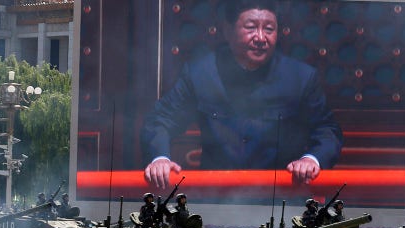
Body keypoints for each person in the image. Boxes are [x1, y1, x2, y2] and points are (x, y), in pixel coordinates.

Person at [141, 0, 343, 189]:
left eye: (269, 29)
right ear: (228, 31)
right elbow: (160, 121)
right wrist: (160, 159)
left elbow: (327, 131)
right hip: (215, 195)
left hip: (281, 197)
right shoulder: (200, 74)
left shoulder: (300, 77)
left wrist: (311, 159)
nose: (261, 38)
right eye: (251, 27)